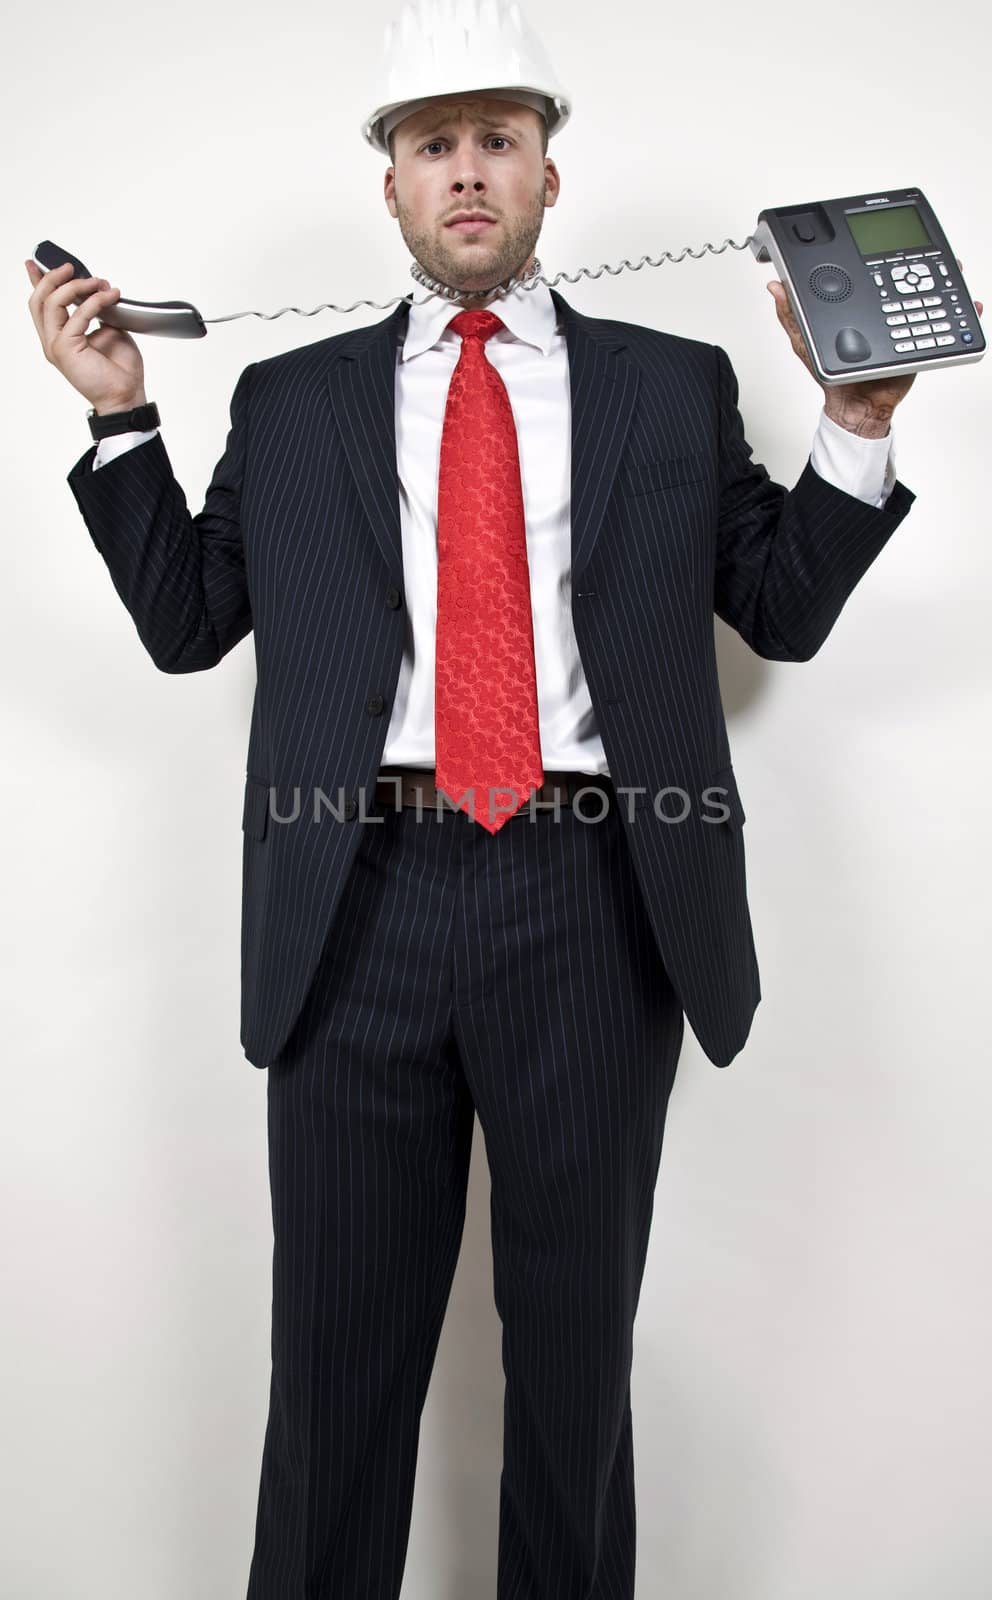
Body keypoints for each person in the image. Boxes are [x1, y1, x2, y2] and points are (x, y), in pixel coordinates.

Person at [22, 2, 984, 1593]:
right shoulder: (295, 400)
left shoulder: (670, 389)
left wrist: (857, 430)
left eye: (497, 141)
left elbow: (782, 613)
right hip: (355, 905)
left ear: (547, 175)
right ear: (389, 189)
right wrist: (123, 413)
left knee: (573, 1376)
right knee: (334, 1379)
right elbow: (191, 627)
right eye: (430, 146)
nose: (465, 172)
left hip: (597, 908)